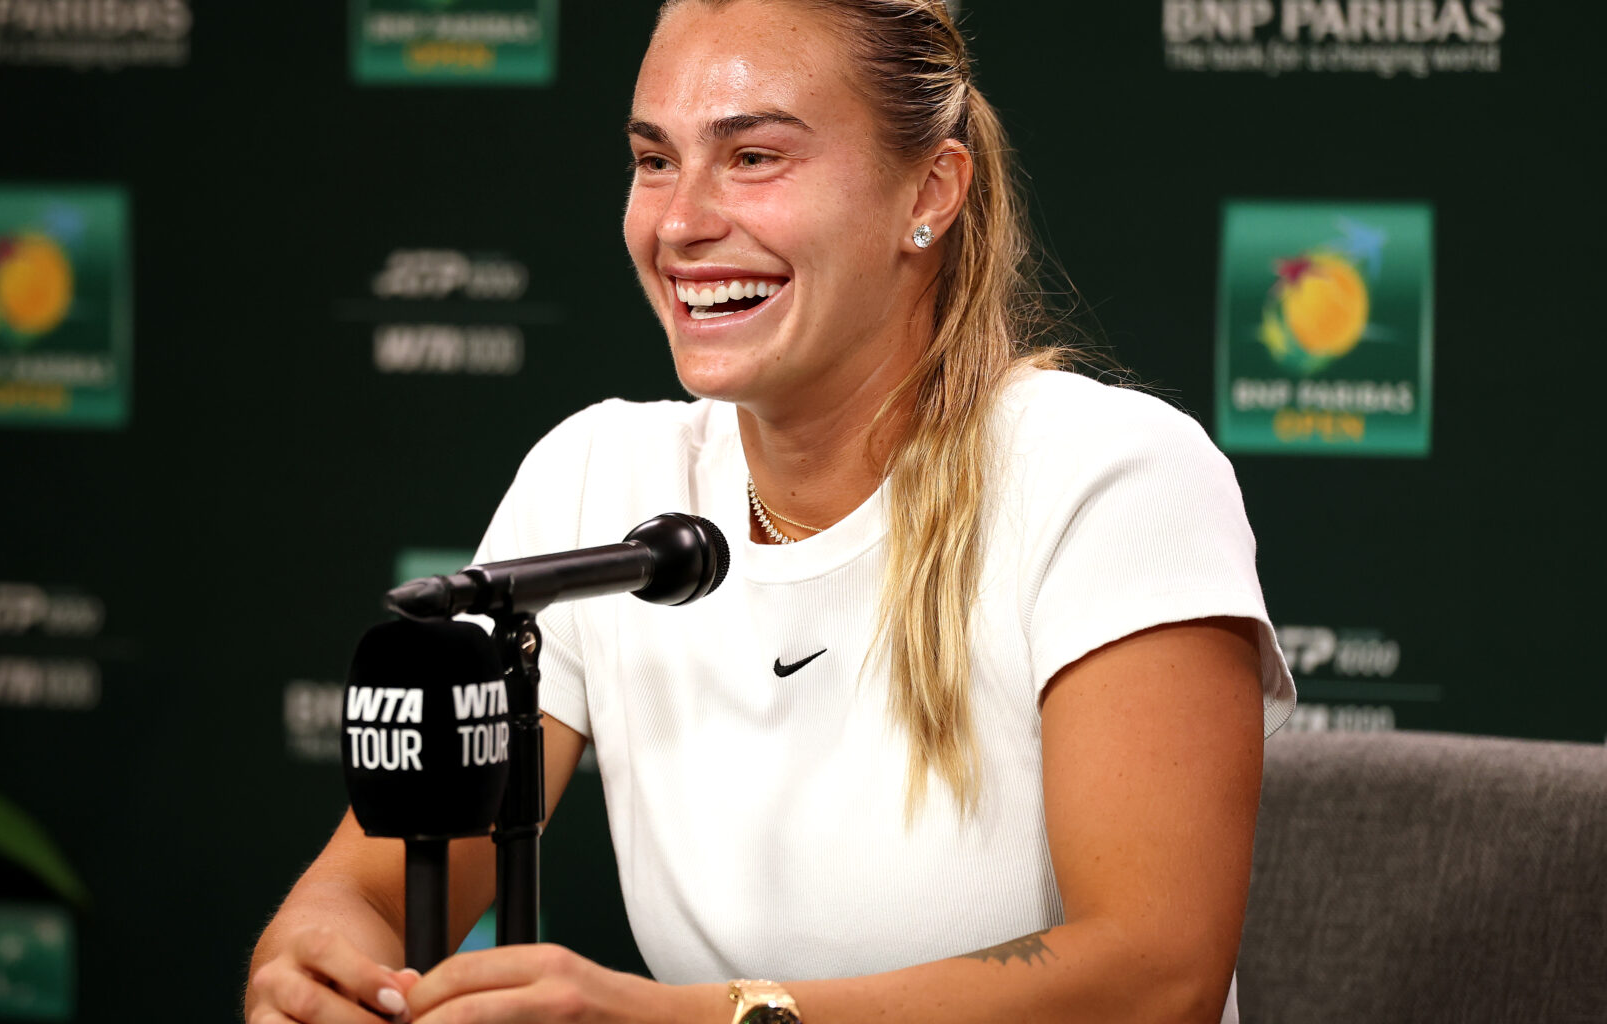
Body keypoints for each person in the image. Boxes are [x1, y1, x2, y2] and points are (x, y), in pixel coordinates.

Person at [246, 0, 1295, 1021]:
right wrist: (318, 958)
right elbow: (375, 888)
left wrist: (688, 1021)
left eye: (753, 157)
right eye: (655, 160)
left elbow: (1153, 976)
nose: (684, 223)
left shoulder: (1108, 474)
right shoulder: (597, 480)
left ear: (929, 190)